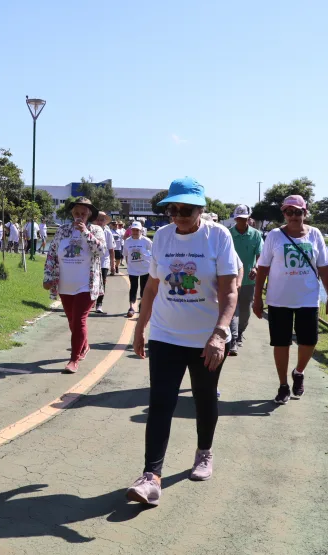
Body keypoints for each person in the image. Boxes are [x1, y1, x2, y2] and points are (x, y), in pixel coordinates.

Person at [126, 177, 238, 506]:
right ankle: (151, 476)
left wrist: (220, 333)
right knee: (161, 402)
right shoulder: (162, 236)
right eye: (172, 210)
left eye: (185, 210)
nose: (177, 216)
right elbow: (151, 287)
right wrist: (140, 327)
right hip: (165, 334)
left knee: (204, 398)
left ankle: (204, 452)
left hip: (207, 338)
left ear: (200, 209)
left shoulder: (218, 236)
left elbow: (230, 291)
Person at [253, 195, 328, 405]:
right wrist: (257, 298)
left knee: (309, 341)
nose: (293, 216)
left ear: (305, 213)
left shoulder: (315, 234)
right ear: (284, 213)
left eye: (298, 212)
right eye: (289, 212)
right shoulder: (274, 236)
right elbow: (262, 268)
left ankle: (299, 372)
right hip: (278, 299)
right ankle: (283, 385)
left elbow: (325, 268)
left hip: (308, 298)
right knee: (281, 343)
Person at [42, 197, 107, 373]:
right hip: (65, 284)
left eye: (83, 214)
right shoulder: (62, 230)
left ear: (89, 214)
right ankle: (84, 345)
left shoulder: (96, 230)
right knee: (72, 321)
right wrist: (47, 276)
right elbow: (52, 254)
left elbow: (101, 251)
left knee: (79, 320)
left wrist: (85, 232)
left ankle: (74, 359)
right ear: (72, 213)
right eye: (76, 213)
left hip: (86, 285)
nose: (79, 216)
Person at [227, 205, 263, 356]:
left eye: (244, 218)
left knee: (245, 311)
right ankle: (233, 340)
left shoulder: (256, 234)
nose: (241, 221)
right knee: (232, 310)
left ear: (249, 218)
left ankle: (240, 332)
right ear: (235, 218)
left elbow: (261, 254)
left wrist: (256, 267)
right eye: (239, 218)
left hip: (249, 280)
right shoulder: (228, 234)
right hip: (230, 280)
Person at [123, 220, 152, 318]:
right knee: (133, 287)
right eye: (133, 230)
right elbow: (126, 255)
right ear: (131, 230)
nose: (135, 232)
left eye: (137, 230)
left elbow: (153, 253)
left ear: (141, 231)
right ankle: (131, 307)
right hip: (133, 269)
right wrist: (129, 265)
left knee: (144, 289)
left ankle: (142, 306)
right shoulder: (128, 241)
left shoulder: (146, 241)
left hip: (145, 269)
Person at [94, 212, 115, 314]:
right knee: (91, 281)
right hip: (92, 260)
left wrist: (112, 265)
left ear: (105, 222)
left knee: (102, 282)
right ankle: (91, 301)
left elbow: (111, 250)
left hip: (104, 261)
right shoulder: (90, 230)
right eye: (98, 219)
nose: (99, 221)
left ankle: (99, 304)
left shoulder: (108, 232)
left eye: (102, 220)